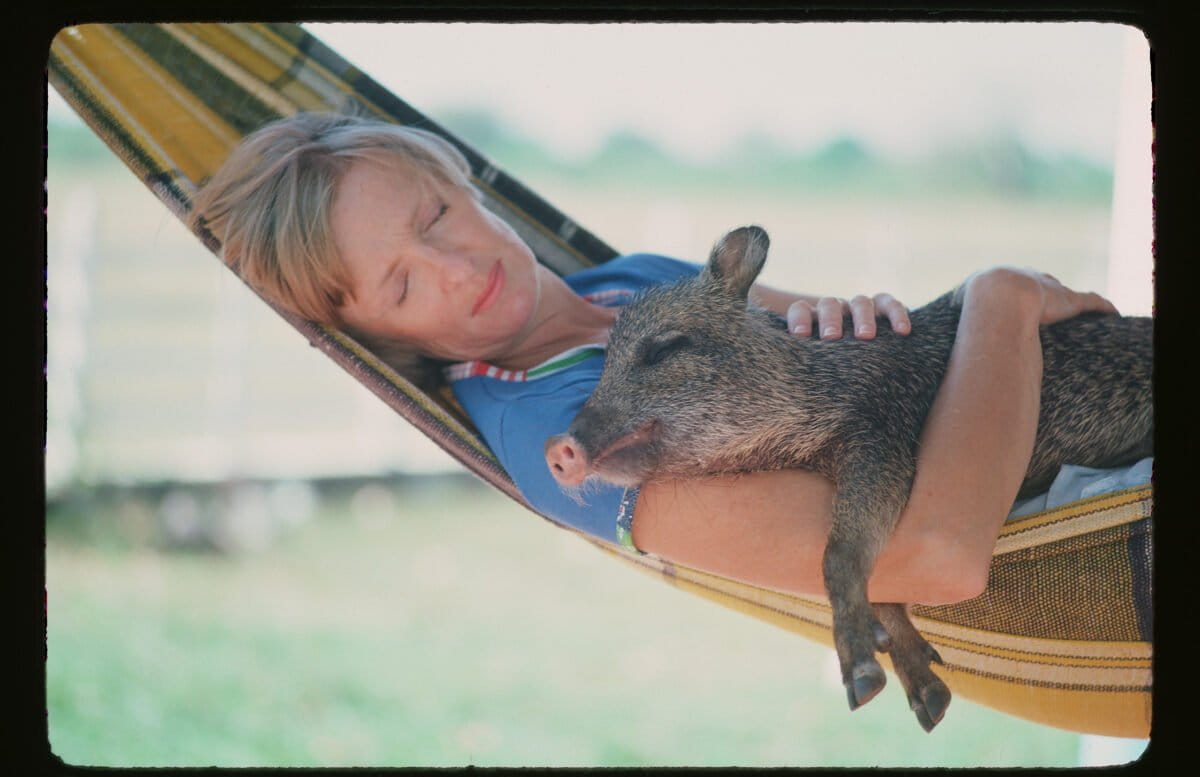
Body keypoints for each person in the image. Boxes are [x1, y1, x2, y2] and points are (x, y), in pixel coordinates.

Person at [190, 112, 1123, 607]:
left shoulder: (636, 281)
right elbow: (932, 556)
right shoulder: (560, 444)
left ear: (464, 181)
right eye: (400, 287)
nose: (455, 266)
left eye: (435, 217)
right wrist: (999, 298)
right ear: (382, 345)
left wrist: (872, 319)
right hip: (1086, 521)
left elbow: (891, 361)